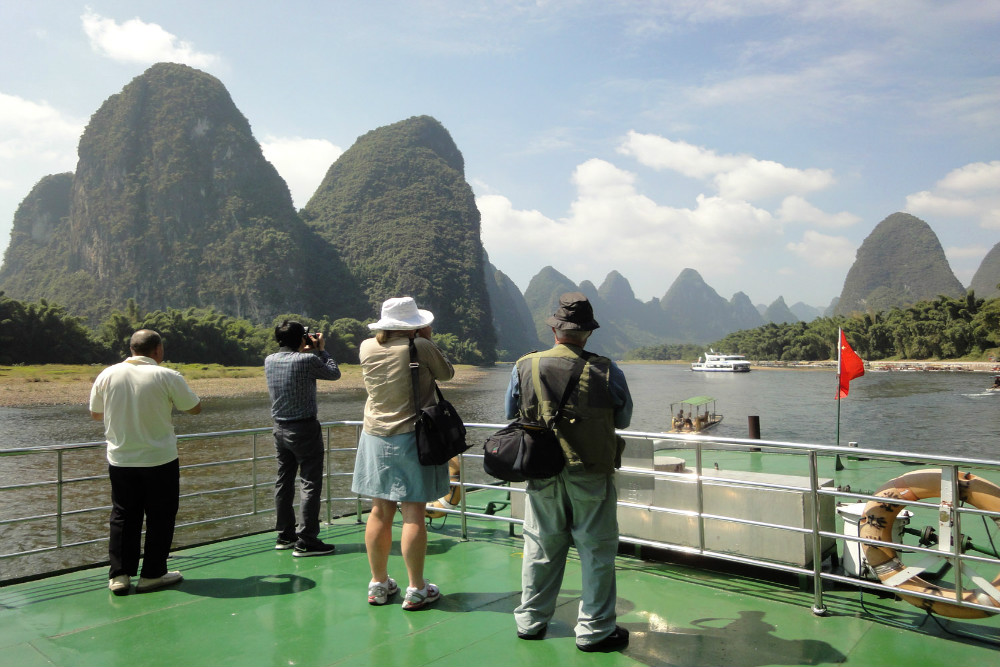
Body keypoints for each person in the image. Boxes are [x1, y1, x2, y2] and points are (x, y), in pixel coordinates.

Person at [503, 292, 633, 652]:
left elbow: (510, 414)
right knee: (596, 550)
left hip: (541, 470)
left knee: (540, 546)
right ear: (587, 333)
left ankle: (530, 622)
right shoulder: (607, 369)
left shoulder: (524, 365)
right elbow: (624, 419)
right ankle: (594, 630)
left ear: (554, 330)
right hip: (590, 470)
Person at [352, 297, 454, 610]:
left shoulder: (367, 346)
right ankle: (417, 588)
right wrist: (427, 339)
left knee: (379, 510)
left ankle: (378, 584)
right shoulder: (420, 346)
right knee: (413, 511)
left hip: (375, 436)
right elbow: (446, 374)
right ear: (414, 324)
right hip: (413, 436)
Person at [89, 329, 202, 596]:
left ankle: (119, 575)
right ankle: (153, 574)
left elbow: (96, 414)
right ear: (158, 350)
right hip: (159, 459)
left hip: (121, 458)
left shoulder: (107, 374)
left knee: (123, 515)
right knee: (160, 516)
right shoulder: (167, 375)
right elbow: (194, 408)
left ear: (132, 349)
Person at [265, 320, 341, 556]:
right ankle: (307, 539)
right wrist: (321, 350)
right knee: (309, 482)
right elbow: (334, 373)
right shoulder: (307, 360)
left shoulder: (270, 360)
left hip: (280, 428)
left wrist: (304, 350)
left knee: (284, 481)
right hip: (304, 429)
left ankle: (285, 535)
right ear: (301, 339)